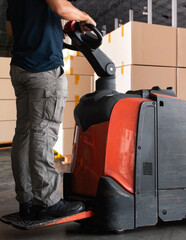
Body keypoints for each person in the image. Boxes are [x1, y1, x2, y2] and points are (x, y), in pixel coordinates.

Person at [6, 0, 96, 220]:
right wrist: (86, 17)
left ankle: (26, 200)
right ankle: (47, 202)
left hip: (21, 68)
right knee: (42, 134)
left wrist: (57, 33)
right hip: (44, 68)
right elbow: (60, 8)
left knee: (24, 135)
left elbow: (11, 32)